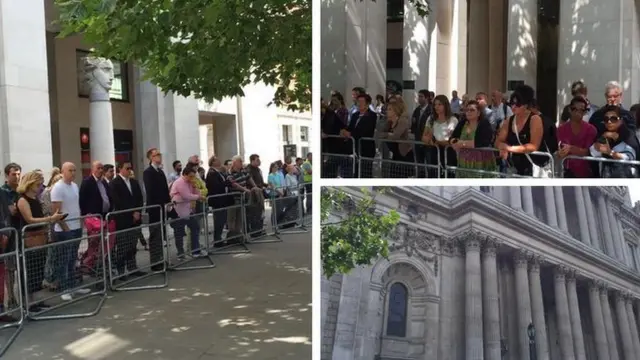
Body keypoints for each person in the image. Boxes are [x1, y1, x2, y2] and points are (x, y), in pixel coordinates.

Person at [17, 171, 66, 305]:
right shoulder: (22, 200)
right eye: (38, 184)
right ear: (30, 183)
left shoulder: (35, 199)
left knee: (38, 270)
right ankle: (29, 303)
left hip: (40, 238)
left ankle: (37, 302)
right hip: (30, 240)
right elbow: (30, 220)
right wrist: (51, 219)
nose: (40, 186)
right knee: (30, 272)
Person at [50, 163, 90, 300]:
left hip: (76, 227)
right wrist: (66, 229)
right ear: (63, 171)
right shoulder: (58, 187)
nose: (73, 173)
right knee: (64, 260)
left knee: (73, 259)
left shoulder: (74, 186)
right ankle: (64, 288)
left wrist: (79, 225)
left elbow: (75, 206)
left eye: (74, 170)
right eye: (70, 170)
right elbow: (57, 212)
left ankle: (73, 286)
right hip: (64, 230)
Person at [495, 85, 546, 177]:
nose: (513, 107)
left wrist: (509, 148)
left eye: (518, 104)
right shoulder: (509, 121)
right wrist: (501, 146)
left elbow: (533, 146)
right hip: (515, 170)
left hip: (533, 168)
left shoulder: (535, 119)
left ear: (526, 104)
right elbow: (498, 140)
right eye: (511, 103)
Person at [109, 162, 145, 278]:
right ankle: (121, 271)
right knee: (122, 246)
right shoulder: (114, 183)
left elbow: (140, 198)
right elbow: (118, 201)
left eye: (130, 168)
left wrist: (138, 211)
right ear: (120, 169)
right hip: (123, 219)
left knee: (132, 244)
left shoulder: (134, 182)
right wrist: (131, 212)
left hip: (135, 219)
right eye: (127, 168)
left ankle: (132, 267)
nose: (129, 170)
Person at [449, 100, 497, 178]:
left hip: (481, 160)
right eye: (467, 110)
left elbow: (481, 142)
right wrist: (453, 142)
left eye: (472, 110)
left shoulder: (484, 123)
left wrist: (461, 143)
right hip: (464, 161)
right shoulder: (463, 122)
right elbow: (452, 138)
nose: (468, 112)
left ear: (478, 113)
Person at [142, 148, 172, 271]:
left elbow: (165, 189)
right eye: (156, 155)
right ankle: (155, 262)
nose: (159, 156)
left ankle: (160, 258)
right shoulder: (148, 172)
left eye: (159, 154)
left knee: (161, 235)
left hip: (162, 208)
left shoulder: (160, 171)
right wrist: (160, 203)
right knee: (155, 235)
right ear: (151, 158)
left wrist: (168, 202)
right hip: (154, 208)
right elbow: (151, 191)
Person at [589, 105, 638, 178]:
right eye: (606, 119)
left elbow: (629, 157)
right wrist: (599, 142)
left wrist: (610, 152)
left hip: (626, 178)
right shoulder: (602, 134)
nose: (609, 122)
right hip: (607, 177)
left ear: (621, 120)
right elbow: (593, 153)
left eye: (613, 119)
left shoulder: (628, 135)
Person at [169, 165, 206, 259]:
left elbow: (196, 193)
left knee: (195, 228)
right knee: (179, 233)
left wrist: (195, 187)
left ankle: (195, 250)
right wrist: (198, 197)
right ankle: (180, 254)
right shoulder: (180, 182)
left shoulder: (190, 181)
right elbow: (186, 196)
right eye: (190, 176)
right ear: (184, 175)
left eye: (193, 176)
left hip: (188, 210)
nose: (192, 178)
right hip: (178, 211)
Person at [557, 97, 598, 177]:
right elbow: (558, 150)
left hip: (587, 174)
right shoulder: (560, 130)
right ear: (569, 109)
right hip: (567, 173)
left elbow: (588, 152)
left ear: (585, 112)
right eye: (574, 109)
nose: (578, 112)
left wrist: (570, 149)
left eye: (581, 110)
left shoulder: (591, 130)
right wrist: (559, 153)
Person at [422, 94, 458, 178]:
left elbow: (452, 139)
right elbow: (423, 136)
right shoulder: (431, 119)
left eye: (439, 104)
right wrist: (430, 141)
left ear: (445, 105)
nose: (436, 107)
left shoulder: (453, 120)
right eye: (435, 104)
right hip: (434, 152)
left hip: (448, 153)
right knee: (434, 175)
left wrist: (439, 142)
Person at [343, 93, 377, 177]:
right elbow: (350, 127)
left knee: (365, 172)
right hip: (355, 148)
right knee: (355, 171)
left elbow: (366, 130)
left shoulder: (372, 115)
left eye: (362, 102)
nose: (359, 104)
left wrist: (350, 134)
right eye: (358, 102)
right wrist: (344, 131)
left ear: (368, 104)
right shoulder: (355, 115)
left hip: (366, 148)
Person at [379, 100, 414, 178]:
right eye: (387, 109)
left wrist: (387, 135)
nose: (387, 111)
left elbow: (396, 136)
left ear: (396, 110)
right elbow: (380, 134)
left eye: (389, 109)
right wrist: (388, 134)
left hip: (404, 155)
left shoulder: (402, 121)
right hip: (395, 154)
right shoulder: (389, 122)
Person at [40, 172, 63, 291]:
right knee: (52, 255)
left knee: (58, 254)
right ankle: (48, 279)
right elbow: (50, 210)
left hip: (58, 225)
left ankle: (56, 279)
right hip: (50, 227)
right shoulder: (48, 192)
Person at [205, 156, 233, 246]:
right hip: (217, 200)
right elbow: (216, 186)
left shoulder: (218, 172)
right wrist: (227, 183)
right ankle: (217, 240)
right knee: (219, 220)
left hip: (223, 199)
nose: (219, 161)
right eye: (217, 160)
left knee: (222, 219)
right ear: (213, 162)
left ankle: (219, 238)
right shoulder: (212, 173)